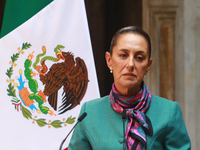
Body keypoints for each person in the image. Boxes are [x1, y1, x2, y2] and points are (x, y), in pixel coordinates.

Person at [68, 26, 191, 150]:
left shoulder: (169, 111)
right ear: (109, 60)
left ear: (148, 65)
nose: (131, 64)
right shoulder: (89, 112)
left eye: (139, 58)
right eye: (123, 55)